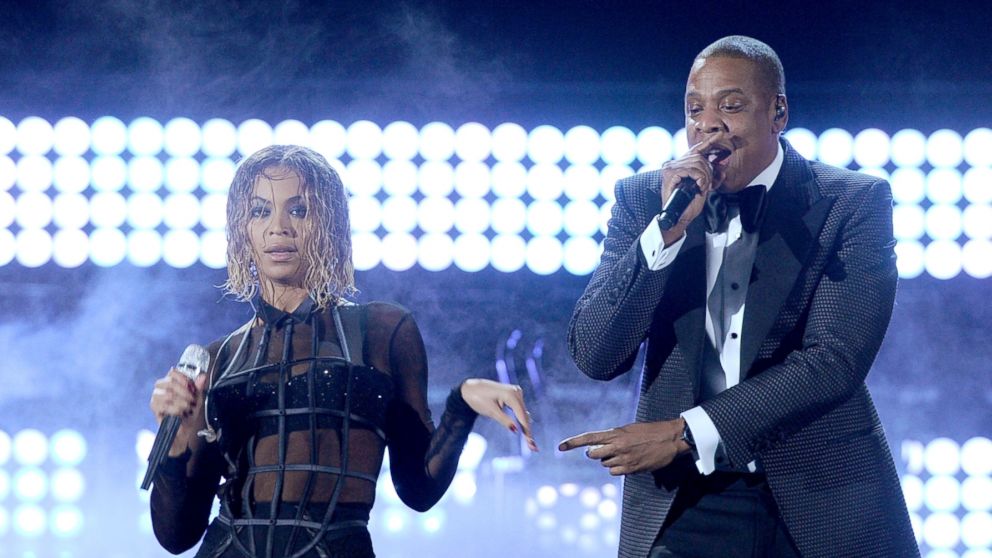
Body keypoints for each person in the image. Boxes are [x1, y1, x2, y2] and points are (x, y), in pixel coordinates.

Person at [559, 36, 919, 558]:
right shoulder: (646, 199)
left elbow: (835, 360)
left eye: (731, 105)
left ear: (778, 112)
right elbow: (595, 353)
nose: (709, 124)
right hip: (683, 500)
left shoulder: (852, 202)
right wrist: (664, 234)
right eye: (694, 109)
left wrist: (687, 431)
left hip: (820, 492)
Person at [148, 144, 538, 558]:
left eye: (298, 210)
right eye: (260, 211)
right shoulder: (219, 358)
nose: (278, 227)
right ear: (240, 230)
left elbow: (418, 490)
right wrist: (177, 438)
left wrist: (462, 405)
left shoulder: (383, 330)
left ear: (330, 224)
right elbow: (177, 536)